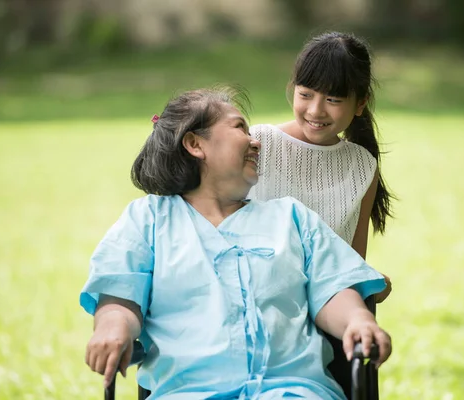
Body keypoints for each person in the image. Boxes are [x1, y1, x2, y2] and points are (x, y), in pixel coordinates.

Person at [81, 87, 392, 399]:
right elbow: (120, 296)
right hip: (190, 392)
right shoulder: (148, 219)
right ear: (194, 144)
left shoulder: (292, 218)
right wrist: (112, 327)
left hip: (291, 390)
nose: (255, 141)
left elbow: (333, 289)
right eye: (239, 127)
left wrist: (357, 319)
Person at [249, 31, 392, 261]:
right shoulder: (257, 144)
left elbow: (353, 263)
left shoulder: (363, 166)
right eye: (305, 94)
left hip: (327, 296)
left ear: (360, 103)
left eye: (333, 100)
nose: (316, 110)